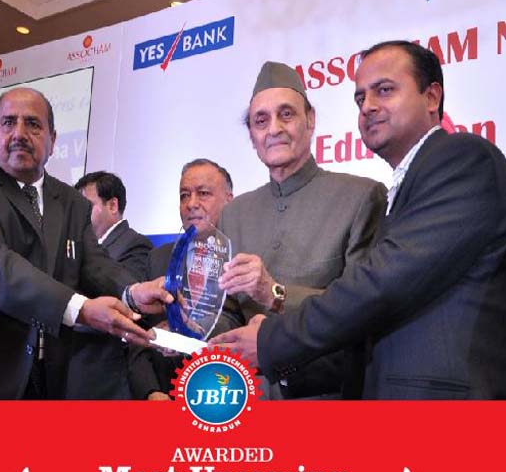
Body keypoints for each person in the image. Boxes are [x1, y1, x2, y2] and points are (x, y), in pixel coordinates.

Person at [212, 41, 506, 399]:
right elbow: (370, 322)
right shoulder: (407, 184)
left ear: (432, 97)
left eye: (384, 90)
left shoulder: (462, 159)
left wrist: (271, 337)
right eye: (360, 98)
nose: (368, 106)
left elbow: (377, 288)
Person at [0, 87, 170, 399]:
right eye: (9, 122)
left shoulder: (72, 201)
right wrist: (81, 308)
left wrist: (132, 292)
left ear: (53, 140)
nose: (19, 133)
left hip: (47, 379)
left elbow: (93, 263)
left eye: (33, 124)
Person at [215, 61, 386, 399]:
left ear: (310, 120)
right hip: (243, 399)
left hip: (325, 398)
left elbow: (363, 309)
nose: (274, 129)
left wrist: (275, 293)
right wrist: (190, 326)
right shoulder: (234, 213)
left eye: (286, 114)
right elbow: (228, 309)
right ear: (251, 136)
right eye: (261, 120)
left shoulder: (361, 196)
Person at [128, 158, 234, 400]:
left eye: (203, 193)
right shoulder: (158, 258)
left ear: (230, 200)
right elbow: (137, 333)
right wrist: (150, 391)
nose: (191, 204)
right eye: (184, 195)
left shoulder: (246, 260)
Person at [65, 171, 153, 399]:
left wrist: (70, 309)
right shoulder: (77, 248)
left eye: (86, 206)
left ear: (112, 205)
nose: (78, 215)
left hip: (107, 371)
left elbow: (126, 309)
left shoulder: (136, 244)